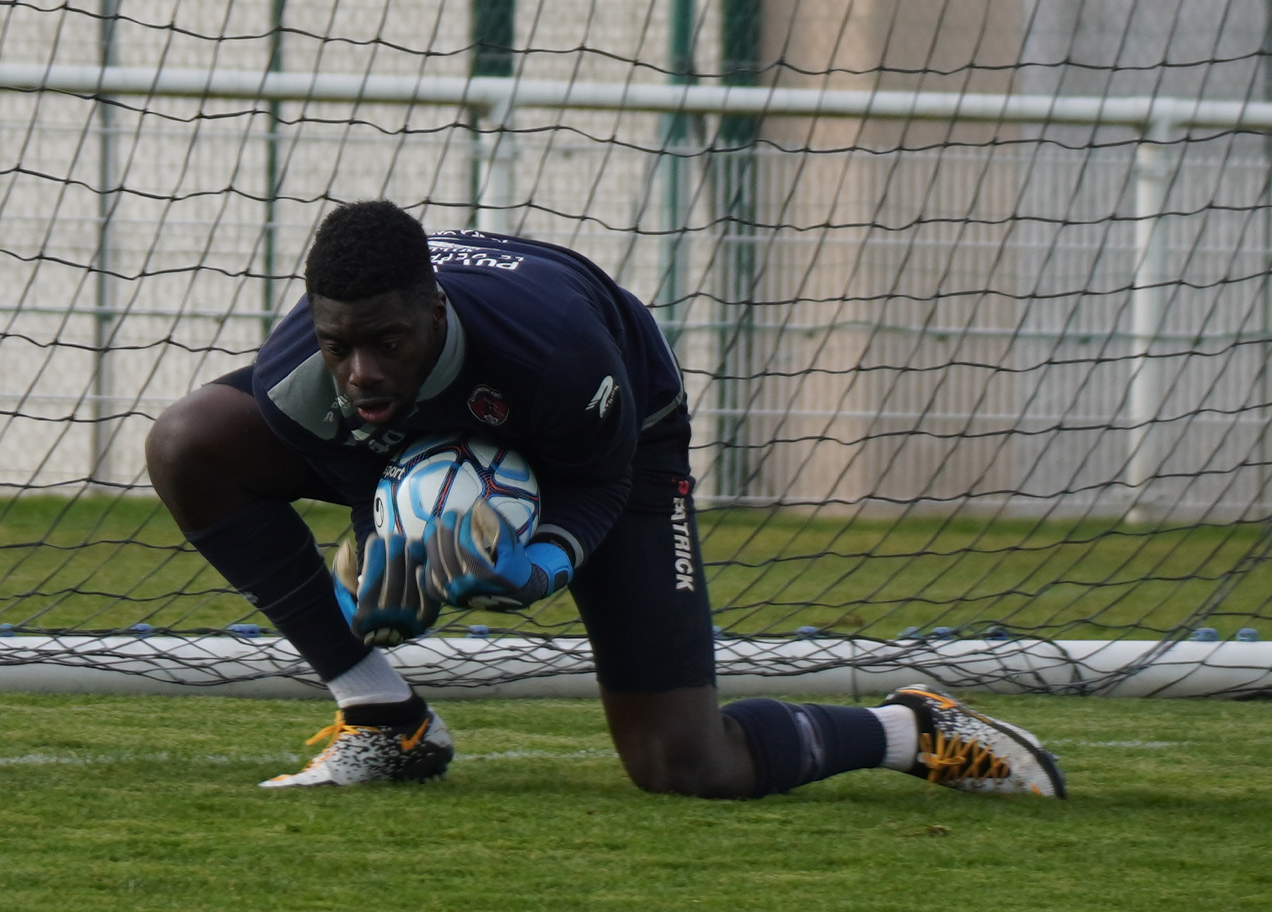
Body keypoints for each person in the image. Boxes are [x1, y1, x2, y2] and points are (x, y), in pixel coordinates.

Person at [146, 201, 1066, 799]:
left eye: (386, 342)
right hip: (459, 432)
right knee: (189, 444)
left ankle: (912, 729)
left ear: (433, 312)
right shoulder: (300, 378)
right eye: (341, 344)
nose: (363, 371)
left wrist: (545, 558)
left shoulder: (554, 352)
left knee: (682, 764)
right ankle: (385, 716)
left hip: (618, 437)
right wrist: (383, 559)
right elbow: (373, 492)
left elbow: (599, 477)